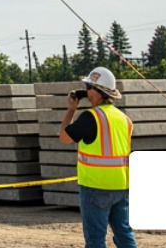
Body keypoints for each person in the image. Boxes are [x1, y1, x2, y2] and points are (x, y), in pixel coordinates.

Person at [59, 66, 137, 248]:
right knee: (124, 234)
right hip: (122, 186)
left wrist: (71, 110)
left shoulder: (90, 117)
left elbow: (64, 137)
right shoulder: (124, 119)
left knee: (95, 239)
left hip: (96, 186)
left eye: (89, 88)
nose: (87, 92)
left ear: (99, 91)